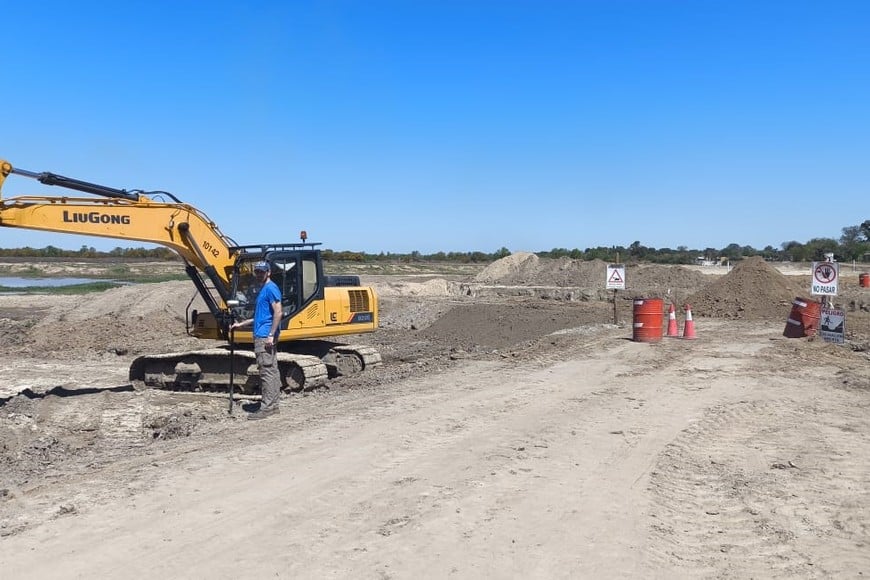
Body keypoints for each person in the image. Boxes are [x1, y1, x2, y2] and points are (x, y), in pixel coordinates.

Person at [230, 261, 283, 420]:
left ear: (269, 272)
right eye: (257, 272)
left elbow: (278, 313)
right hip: (263, 333)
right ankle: (273, 405)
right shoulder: (264, 289)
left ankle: (267, 408)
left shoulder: (270, 288)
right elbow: (261, 316)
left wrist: (271, 335)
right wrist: (242, 323)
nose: (259, 274)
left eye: (262, 272)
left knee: (266, 371)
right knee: (272, 369)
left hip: (264, 336)